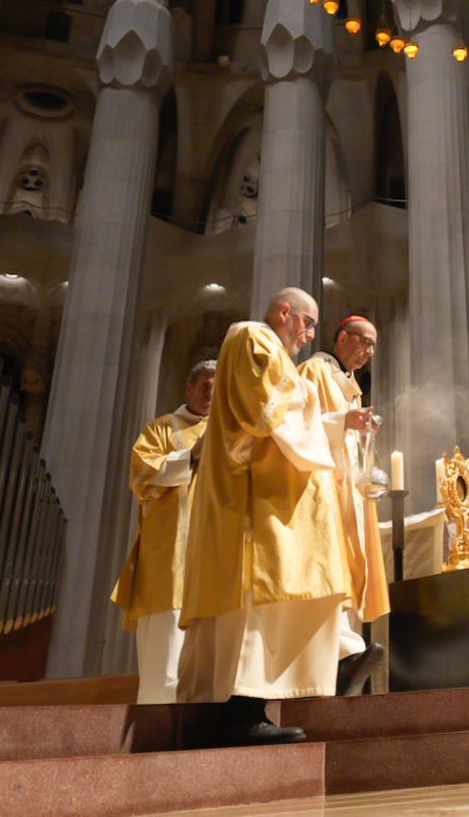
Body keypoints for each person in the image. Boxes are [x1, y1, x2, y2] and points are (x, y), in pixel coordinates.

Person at [177, 287, 373, 744]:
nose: (307, 337)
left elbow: (289, 412)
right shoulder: (251, 337)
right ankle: (239, 715)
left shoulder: (271, 351)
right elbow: (269, 413)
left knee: (272, 607)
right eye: (306, 324)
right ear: (284, 312)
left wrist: (340, 421)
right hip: (249, 503)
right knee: (253, 611)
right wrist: (311, 395)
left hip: (265, 500)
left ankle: (313, 673)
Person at [111, 360, 215, 704]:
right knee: (165, 650)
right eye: (204, 386)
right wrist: (191, 456)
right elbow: (142, 475)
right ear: (188, 388)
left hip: (215, 555)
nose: (210, 394)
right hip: (169, 556)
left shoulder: (229, 433)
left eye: (217, 387)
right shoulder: (162, 429)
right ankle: (158, 726)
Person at [299, 314, 389, 696]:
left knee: (350, 567)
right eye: (364, 342)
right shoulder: (313, 370)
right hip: (321, 489)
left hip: (348, 490)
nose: (368, 352)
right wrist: (342, 422)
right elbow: (295, 425)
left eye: (373, 346)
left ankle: (345, 659)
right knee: (329, 568)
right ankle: (341, 655)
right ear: (341, 338)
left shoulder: (351, 386)